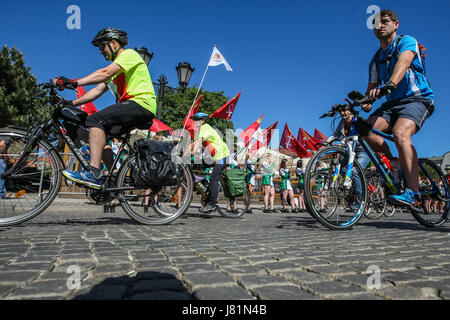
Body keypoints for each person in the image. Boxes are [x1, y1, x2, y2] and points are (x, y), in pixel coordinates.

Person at [55, 27, 156, 189]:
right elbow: (96, 91)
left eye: (102, 46)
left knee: (95, 120)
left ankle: (93, 172)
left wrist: (74, 82)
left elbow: (105, 73)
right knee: (100, 136)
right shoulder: (117, 69)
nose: (100, 51)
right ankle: (113, 176)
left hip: (141, 104)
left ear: (114, 43)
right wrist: (71, 104)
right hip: (133, 107)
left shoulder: (129, 55)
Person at [362, 9, 434, 207]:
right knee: (365, 129)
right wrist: (365, 102)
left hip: (417, 99)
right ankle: (393, 161)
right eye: (376, 23)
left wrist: (391, 83)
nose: (380, 26)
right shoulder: (375, 60)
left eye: (384, 21)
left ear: (396, 24)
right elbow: (369, 93)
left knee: (400, 133)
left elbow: (403, 62)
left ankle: (413, 191)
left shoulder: (406, 41)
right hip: (391, 104)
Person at [327, 109, 370, 209]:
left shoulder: (356, 120)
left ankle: (361, 200)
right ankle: (352, 187)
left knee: (355, 171)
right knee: (338, 167)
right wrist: (325, 143)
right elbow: (336, 135)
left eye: (344, 111)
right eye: (341, 112)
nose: (342, 113)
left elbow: (356, 137)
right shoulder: (342, 122)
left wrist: (342, 143)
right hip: (350, 151)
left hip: (362, 151)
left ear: (350, 111)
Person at [187, 112, 230, 213]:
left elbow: (198, 143)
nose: (195, 122)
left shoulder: (205, 127)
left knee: (214, 178)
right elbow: (193, 144)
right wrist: (183, 153)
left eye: (197, 120)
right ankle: (206, 188)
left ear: (202, 121)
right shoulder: (200, 131)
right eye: (194, 120)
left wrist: (191, 154)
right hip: (214, 157)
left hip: (222, 155)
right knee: (196, 165)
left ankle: (212, 204)